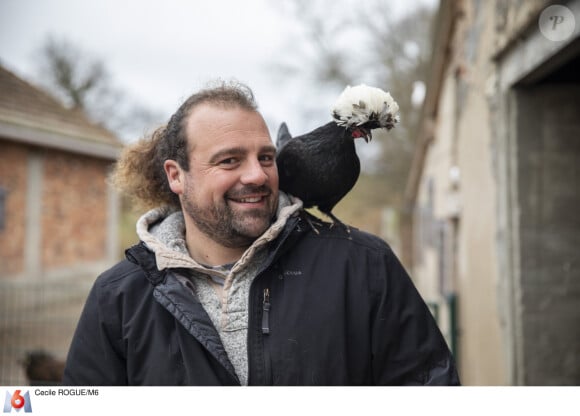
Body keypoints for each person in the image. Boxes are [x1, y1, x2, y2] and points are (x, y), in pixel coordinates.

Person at [63, 80, 460, 386]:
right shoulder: (118, 297)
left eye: (265, 157)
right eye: (230, 160)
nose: (257, 175)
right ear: (176, 176)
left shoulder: (365, 266)